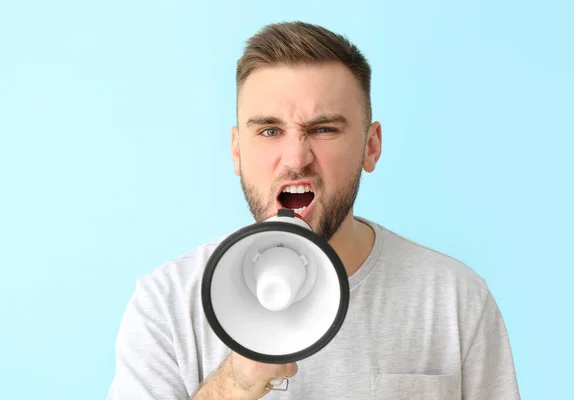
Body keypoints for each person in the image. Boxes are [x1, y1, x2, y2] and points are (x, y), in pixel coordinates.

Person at [106, 21, 520, 399]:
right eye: (269, 130)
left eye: (323, 129)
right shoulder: (166, 303)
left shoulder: (455, 300)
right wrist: (236, 384)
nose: (295, 158)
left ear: (370, 147)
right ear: (236, 151)